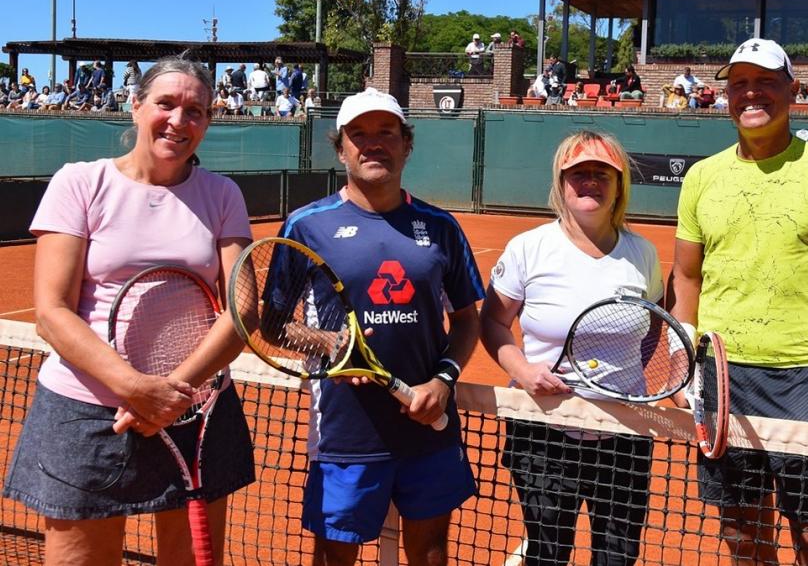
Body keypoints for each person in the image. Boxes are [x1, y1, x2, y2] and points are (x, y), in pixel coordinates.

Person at [2, 56, 256, 565]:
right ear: (136, 106)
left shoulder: (223, 194)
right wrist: (138, 389)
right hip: (87, 412)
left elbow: (243, 309)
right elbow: (52, 311)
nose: (179, 120)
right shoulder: (80, 183)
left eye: (195, 111)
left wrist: (173, 391)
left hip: (196, 410)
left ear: (208, 121)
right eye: (166, 104)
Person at [670, 38, 808, 565]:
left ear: (792, 89)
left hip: (805, 380)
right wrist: (683, 369)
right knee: (742, 535)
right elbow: (686, 278)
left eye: (765, 81)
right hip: (722, 376)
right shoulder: (701, 177)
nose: (750, 93)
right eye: (739, 83)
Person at [274, 87, 483, 566]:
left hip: (427, 425)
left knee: (431, 553)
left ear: (406, 144)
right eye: (359, 134)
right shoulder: (306, 225)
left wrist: (444, 379)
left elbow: (466, 319)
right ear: (341, 148)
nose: (373, 143)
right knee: (334, 557)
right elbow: (272, 324)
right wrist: (330, 343)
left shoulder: (442, 227)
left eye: (386, 132)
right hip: (345, 433)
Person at [480, 131, 663, 566]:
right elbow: (492, 321)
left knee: (617, 558)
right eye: (578, 173)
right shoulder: (529, 248)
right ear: (561, 182)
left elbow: (655, 327)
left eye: (602, 173)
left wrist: (630, 383)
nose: (590, 182)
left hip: (624, 436)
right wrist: (523, 371)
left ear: (619, 185)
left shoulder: (643, 253)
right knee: (548, 555)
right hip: (542, 432)